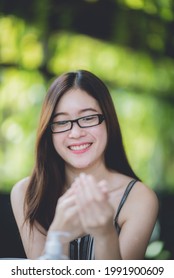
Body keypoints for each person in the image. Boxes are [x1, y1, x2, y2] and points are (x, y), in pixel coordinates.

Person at [10, 70, 159, 260]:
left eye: (88, 118)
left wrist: (105, 234)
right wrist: (59, 236)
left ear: (108, 121)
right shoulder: (26, 193)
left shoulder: (139, 198)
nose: (75, 133)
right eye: (62, 122)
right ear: (49, 131)